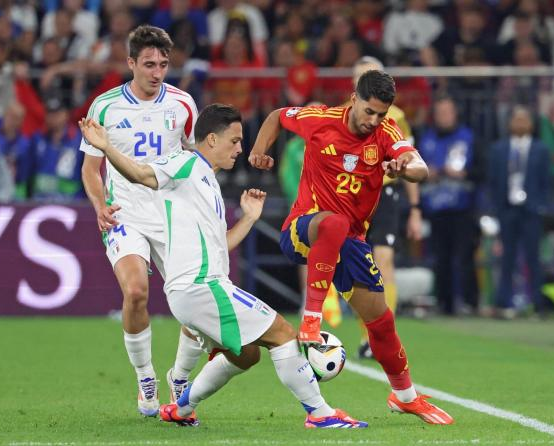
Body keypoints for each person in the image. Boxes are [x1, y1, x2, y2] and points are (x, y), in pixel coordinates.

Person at [79, 103, 366, 429]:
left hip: (198, 290)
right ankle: (320, 413)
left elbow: (222, 243)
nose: (240, 149)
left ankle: (181, 408)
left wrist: (250, 218)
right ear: (212, 139)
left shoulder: (205, 181)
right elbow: (142, 174)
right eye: (235, 140)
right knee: (284, 334)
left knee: (246, 354)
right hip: (202, 287)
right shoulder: (186, 163)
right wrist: (106, 147)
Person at [249, 70, 454, 424]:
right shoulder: (320, 120)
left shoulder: (387, 133)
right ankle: (311, 320)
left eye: (381, 114)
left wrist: (404, 168)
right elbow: (277, 116)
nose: (373, 120)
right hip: (304, 230)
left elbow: (418, 166)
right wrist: (258, 150)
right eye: (369, 111)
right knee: (334, 223)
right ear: (354, 98)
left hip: (351, 245)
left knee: (381, 321)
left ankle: (405, 397)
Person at [79, 25, 201, 417]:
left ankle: (179, 376)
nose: (157, 72)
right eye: (149, 64)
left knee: (195, 305)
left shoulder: (183, 105)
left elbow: (197, 159)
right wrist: (99, 205)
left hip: (173, 215)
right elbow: (90, 168)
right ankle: (145, 377)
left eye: (163, 64)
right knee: (135, 292)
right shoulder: (105, 107)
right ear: (131, 63)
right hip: (126, 214)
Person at [350, 57, 422, 360]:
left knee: (384, 261)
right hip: (353, 195)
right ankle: (366, 334)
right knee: (357, 266)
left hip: (385, 193)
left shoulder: (396, 116)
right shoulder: (343, 113)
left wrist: (415, 208)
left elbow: (411, 161)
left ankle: (383, 336)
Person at [418, 96, 479, 316]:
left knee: (464, 257)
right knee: (440, 258)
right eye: (440, 113)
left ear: (455, 114)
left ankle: (470, 302)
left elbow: (482, 171)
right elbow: (412, 171)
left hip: (462, 207)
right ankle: (445, 303)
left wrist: (464, 174)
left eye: (447, 112)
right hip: (435, 208)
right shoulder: (426, 139)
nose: (444, 117)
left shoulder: (468, 138)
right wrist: (426, 173)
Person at [488, 105, 551, 318]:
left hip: (531, 210)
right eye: (517, 119)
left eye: (525, 119)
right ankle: (503, 303)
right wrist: (497, 207)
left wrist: (540, 205)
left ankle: (537, 305)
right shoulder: (499, 149)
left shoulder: (541, 149)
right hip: (507, 208)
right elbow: (493, 180)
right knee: (507, 257)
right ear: (510, 123)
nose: (521, 124)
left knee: (533, 257)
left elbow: (546, 181)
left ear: (531, 124)